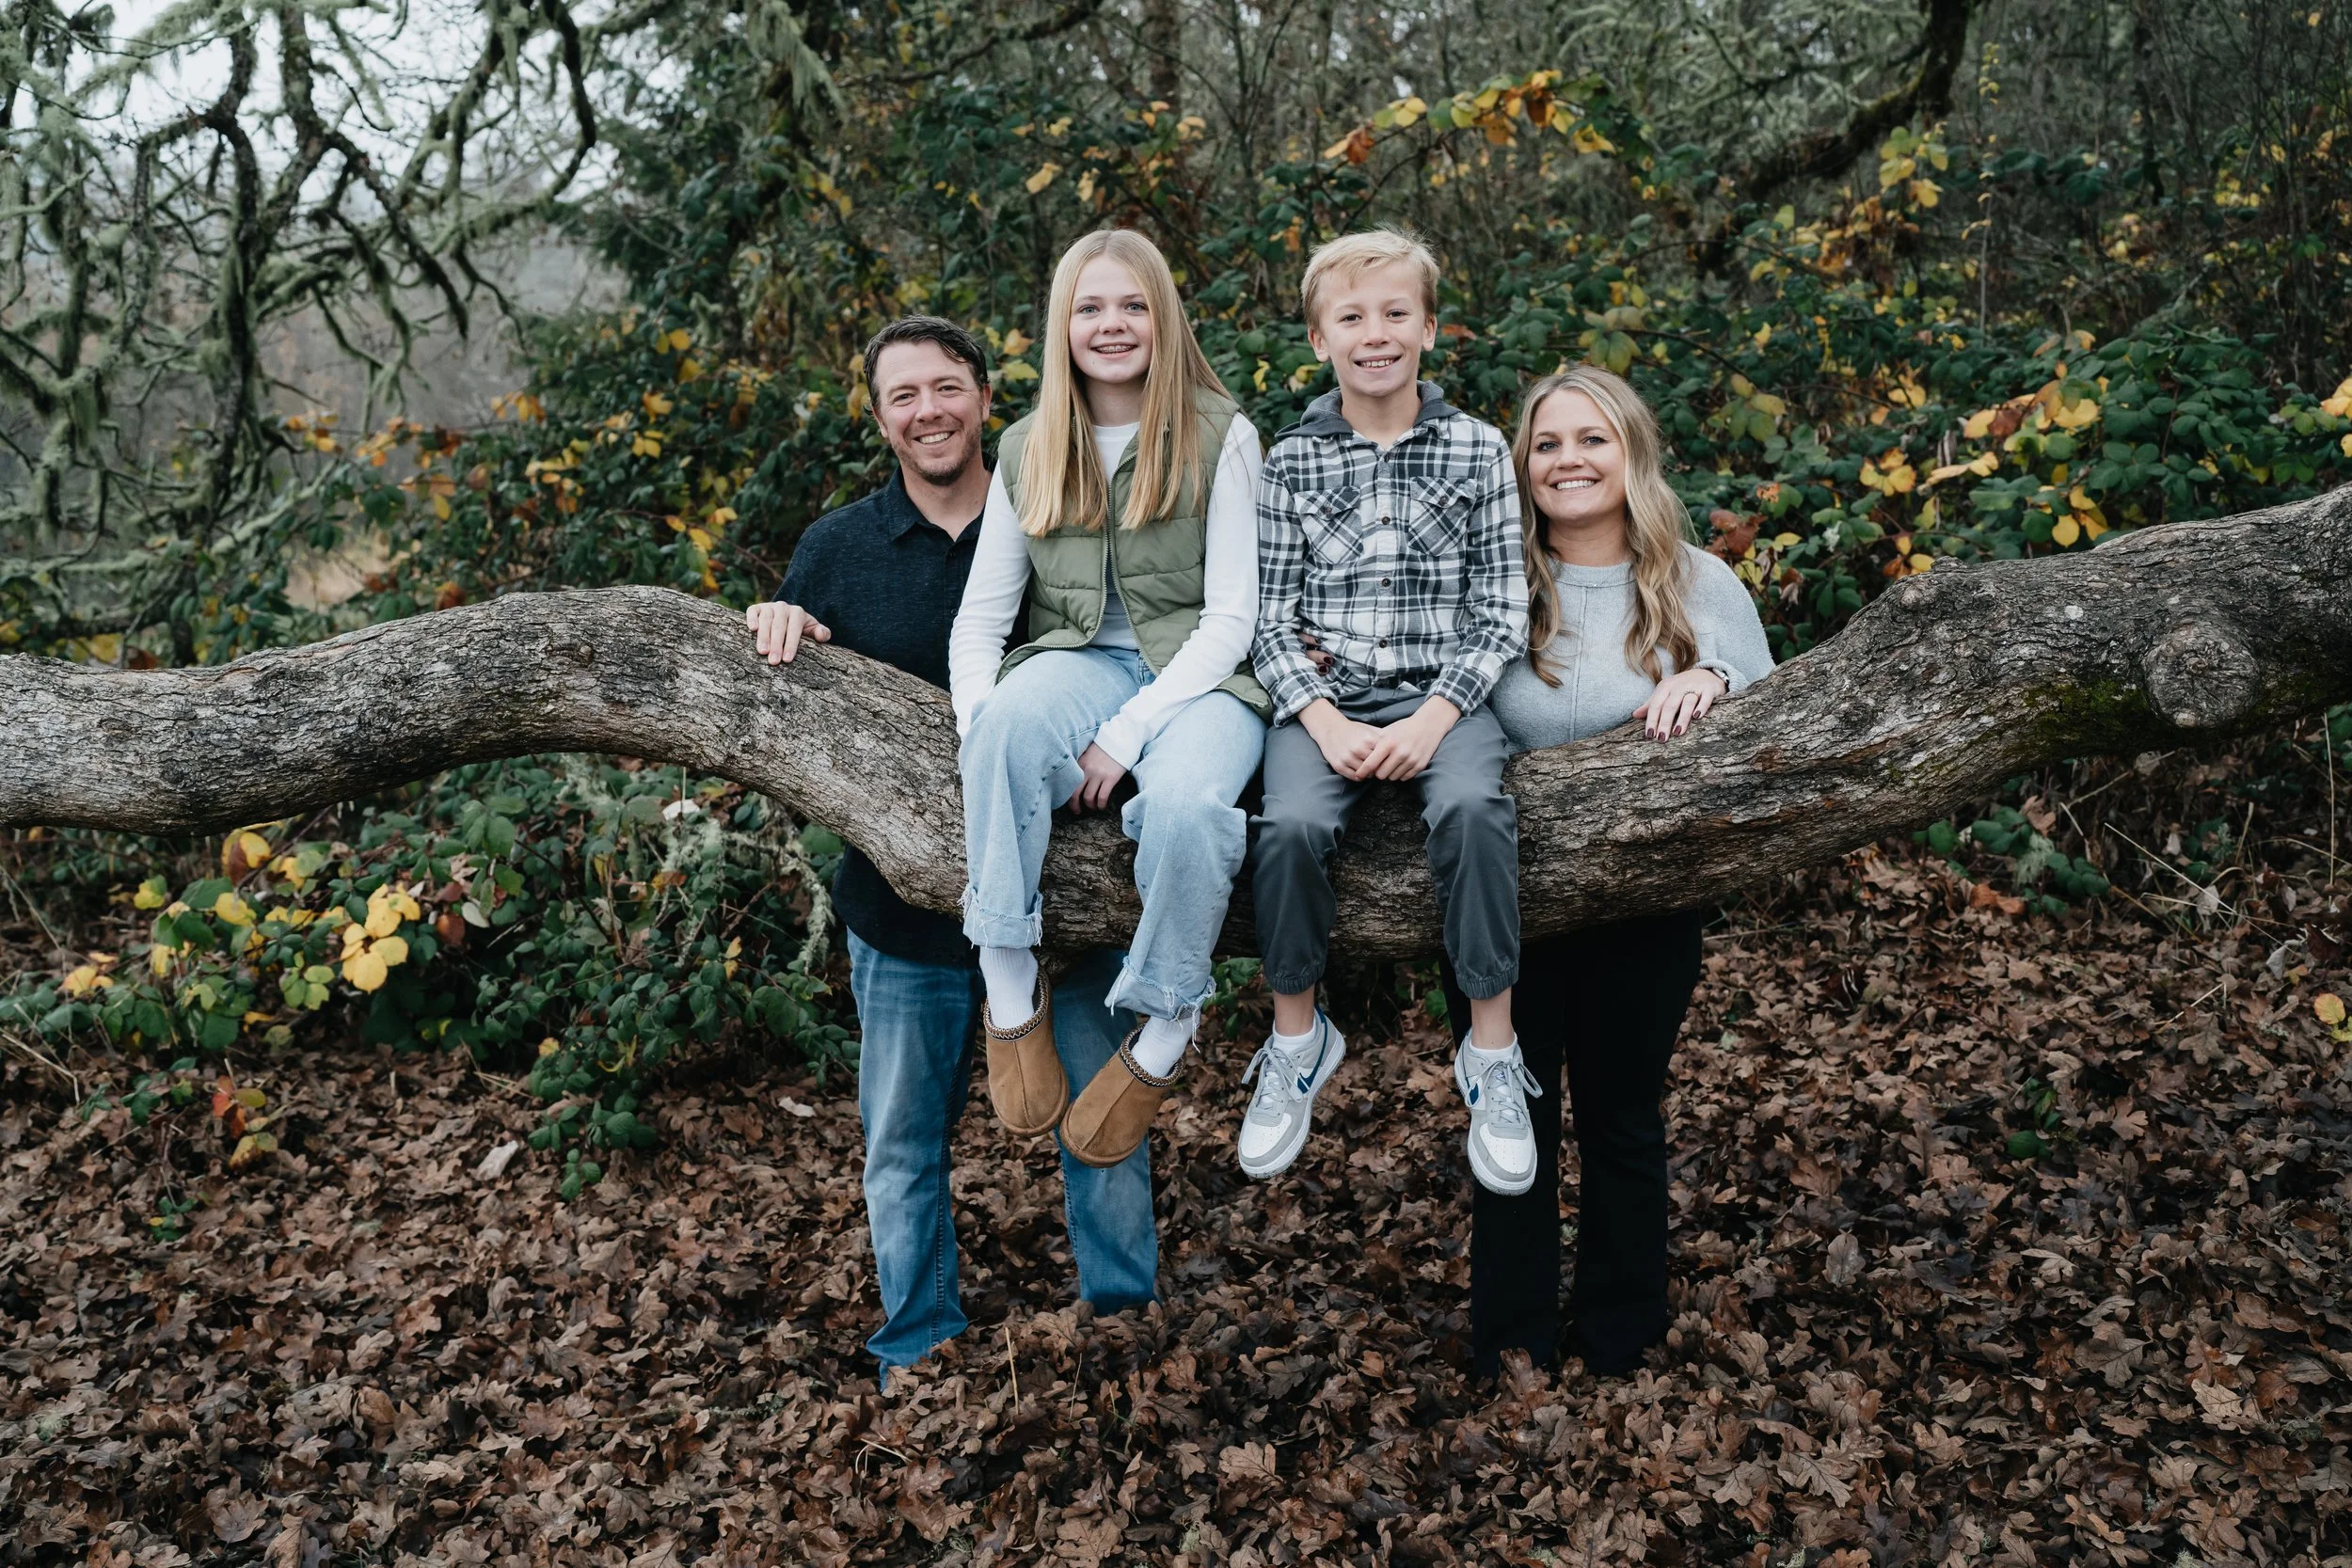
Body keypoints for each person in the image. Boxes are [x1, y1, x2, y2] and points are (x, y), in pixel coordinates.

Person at [745, 316, 1156, 1381]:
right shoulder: (837, 547)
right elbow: (787, 697)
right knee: (901, 1139)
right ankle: (918, 1341)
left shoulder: (1064, 515)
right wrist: (776, 620)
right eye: (902, 396)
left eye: (946, 387)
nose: (927, 410)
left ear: (984, 395)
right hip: (901, 904)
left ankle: (1122, 1327)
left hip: (1075, 889)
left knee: (1101, 1130)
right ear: (879, 416)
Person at [1440, 364, 1775, 1379]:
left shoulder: (1695, 580)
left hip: (1644, 905)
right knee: (1513, 1118)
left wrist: (1713, 675)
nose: (1569, 460)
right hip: (1503, 905)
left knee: (1623, 1116)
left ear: (1631, 452)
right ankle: (1511, 1341)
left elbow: (1778, 707)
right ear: (1522, 464)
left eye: (1592, 439)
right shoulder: (1492, 578)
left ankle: (1623, 1331)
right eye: (1547, 444)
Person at [946, 230, 1269, 1168]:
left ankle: (1166, 1019)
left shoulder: (1223, 433)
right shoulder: (1029, 445)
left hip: (1203, 673)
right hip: (1076, 657)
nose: (1111, 323)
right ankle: (1007, 970)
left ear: (1162, 317)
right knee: (1003, 719)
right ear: (1063, 324)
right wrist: (985, 738)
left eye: (1131, 304)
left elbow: (1232, 617)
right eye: (1090, 306)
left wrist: (1127, 737)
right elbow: (981, 625)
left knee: (1186, 808)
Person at [1245, 227, 1530, 1188]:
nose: (1376, 333)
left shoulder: (1476, 448)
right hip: (1323, 701)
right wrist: (1321, 719)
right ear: (1319, 339)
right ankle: (1295, 1036)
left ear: (1430, 329)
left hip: (1441, 697)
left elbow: (1499, 609)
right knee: (1284, 826)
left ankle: (1489, 1045)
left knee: (1474, 811)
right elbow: (1268, 618)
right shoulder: (1288, 463)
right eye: (1352, 317)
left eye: (1395, 313)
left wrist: (1432, 718)